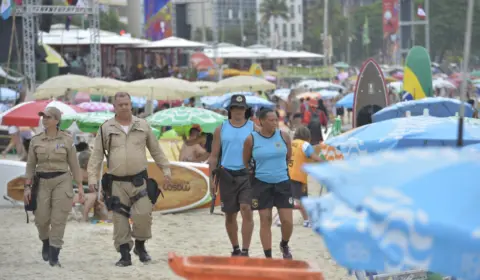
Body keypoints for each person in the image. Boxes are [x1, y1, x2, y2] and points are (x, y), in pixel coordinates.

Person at [87, 92, 171, 267]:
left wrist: (166, 169)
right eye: (121, 104)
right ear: (114, 107)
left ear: (131, 105)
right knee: (119, 219)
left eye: (127, 104)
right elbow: (96, 156)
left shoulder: (143, 125)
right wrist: (92, 178)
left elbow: (156, 150)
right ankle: (125, 255)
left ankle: (140, 246)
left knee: (143, 215)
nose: (124, 107)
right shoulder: (106, 128)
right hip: (116, 183)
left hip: (139, 181)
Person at [23, 107, 84, 267]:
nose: (45, 119)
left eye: (48, 117)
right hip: (41, 181)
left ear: (57, 121)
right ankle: (46, 241)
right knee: (41, 218)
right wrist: (27, 187)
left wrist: (80, 186)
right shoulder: (35, 140)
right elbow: (30, 165)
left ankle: (54, 254)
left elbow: (74, 164)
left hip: (62, 181)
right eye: (43, 116)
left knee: (59, 219)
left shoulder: (67, 140)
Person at [243, 108, 294, 259]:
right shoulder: (251, 139)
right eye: (271, 120)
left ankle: (284, 244)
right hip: (261, 183)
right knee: (265, 220)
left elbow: (288, 157)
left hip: (282, 182)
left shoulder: (284, 136)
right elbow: (245, 161)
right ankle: (268, 257)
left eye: (276, 120)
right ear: (261, 121)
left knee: (287, 221)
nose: (274, 123)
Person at [208, 94, 255, 257]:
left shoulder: (253, 128)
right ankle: (235, 248)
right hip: (226, 175)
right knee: (230, 215)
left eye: (242, 108)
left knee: (246, 208)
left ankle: (245, 250)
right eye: (235, 107)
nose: (239, 111)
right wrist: (211, 181)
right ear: (230, 110)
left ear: (246, 110)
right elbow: (213, 156)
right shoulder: (221, 129)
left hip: (247, 174)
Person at [288, 126, 323, 227]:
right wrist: (326, 163)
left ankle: (283, 219)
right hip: (298, 176)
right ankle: (307, 220)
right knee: (301, 200)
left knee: (290, 198)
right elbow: (314, 157)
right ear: (307, 135)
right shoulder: (305, 145)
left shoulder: (292, 143)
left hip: (288, 173)